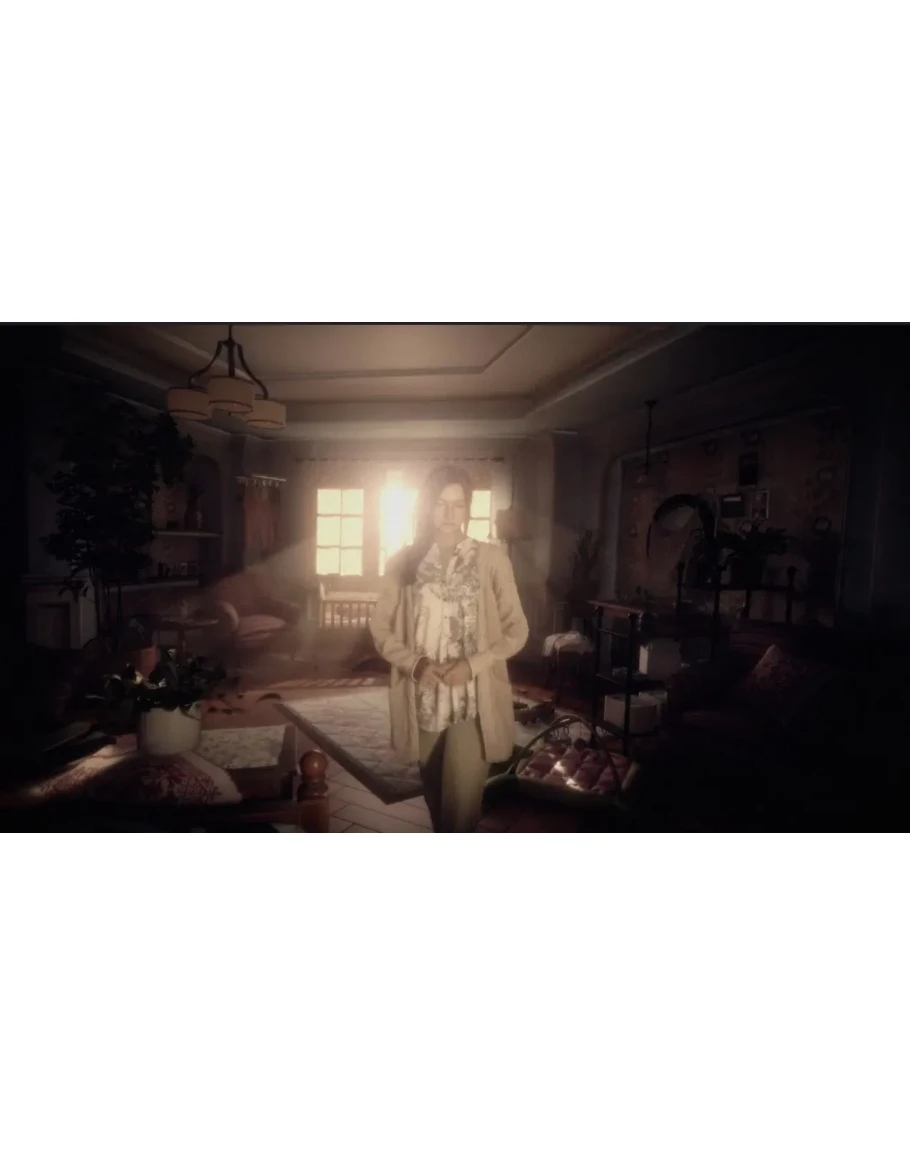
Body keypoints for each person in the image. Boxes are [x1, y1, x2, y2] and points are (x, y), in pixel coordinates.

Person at [370, 466, 529, 832]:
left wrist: (473, 665)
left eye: (458, 504)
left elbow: (518, 629)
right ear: (427, 506)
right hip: (423, 701)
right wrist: (415, 664)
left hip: (474, 702)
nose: (449, 513)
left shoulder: (491, 560)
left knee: (459, 812)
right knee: (439, 808)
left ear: (467, 508)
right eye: (441, 503)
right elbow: (380, 627)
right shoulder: (403, 563)